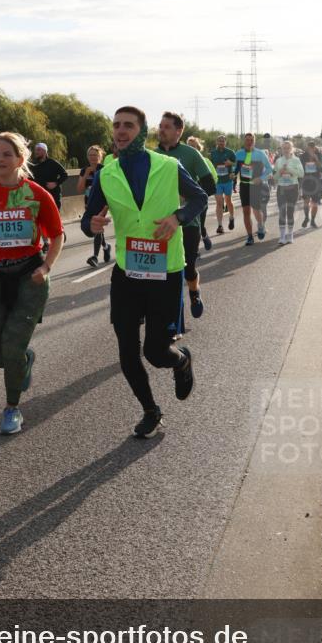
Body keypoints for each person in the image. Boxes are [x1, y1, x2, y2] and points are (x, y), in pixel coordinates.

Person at [81, 107, 207, 439]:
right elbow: (87, 218)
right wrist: (90, 224)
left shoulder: (168, 165)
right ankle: (151, 410)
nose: (121, 131)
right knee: (126, 349)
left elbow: (199, 197)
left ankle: (180, 361)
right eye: (116, 126)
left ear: (142, 130)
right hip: (127, 273)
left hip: (165, 272)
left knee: (155, 351)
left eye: (128, 126)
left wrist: (177, 218)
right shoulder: (107, 173)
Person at [0, 132, 64, 434]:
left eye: (7, 154)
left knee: (11, 347)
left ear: (21, 160)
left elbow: (57, 235)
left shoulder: (36, 194)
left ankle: (12, 408)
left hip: (29, 278)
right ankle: (24, 359)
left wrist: (46, 267)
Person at [156, 113, 216, 318]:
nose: (161, 130)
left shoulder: (191, 154)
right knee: (163, 272)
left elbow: (210, 185)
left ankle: (194, 292)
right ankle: (174, 319)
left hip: (189, 221)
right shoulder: (152, 155)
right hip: (161, 221)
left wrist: (187, 194)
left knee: (188, 267)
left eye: (166, 126)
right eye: (160, 126)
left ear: (178, 131)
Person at [234, 133, 273, 245]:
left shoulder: (260, 154)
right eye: (247, 140)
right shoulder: (239, 154)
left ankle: (260, 225)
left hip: (256, 185)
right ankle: (250, 236)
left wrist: (261, 178)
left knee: (256, 209)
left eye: (251, 140)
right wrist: (232, 173)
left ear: (254, 141)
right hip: (244, 185)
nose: (249, 142)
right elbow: (235, 168)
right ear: (244, 141)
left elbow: (269, 169)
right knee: (246, 211)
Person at [77, 145, 112, 267]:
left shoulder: (105, 169)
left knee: (97, 226)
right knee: (96, 227)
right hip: (88, 203)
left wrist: (107, 206)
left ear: (100, 157)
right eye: (90, 155)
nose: (92, 158)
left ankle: (95, 257)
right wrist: (86, 174)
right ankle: (106, 247)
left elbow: (109, 190)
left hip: (101, 204)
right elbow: (80, 188)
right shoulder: (84, 170)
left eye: (95, 155)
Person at [186, 136, 216, 250]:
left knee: (199, 224)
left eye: (193, 146)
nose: (190, 148)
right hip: (186, 198)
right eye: (188, 146)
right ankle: (195, 250)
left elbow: (214, 178)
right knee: (189, 225)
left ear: (198, 148)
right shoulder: (181, 160)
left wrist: (204, 192)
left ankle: (203, 235)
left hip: (201, 197)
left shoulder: (205, 161)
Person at [272, 140, 304, 244]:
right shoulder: (278, 161)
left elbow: (301, 174)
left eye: (288, 148)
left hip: (293, 188)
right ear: (281, 149)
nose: (286, 150)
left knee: (290, 211)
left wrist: (289, 169)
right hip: (281, 188)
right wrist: (280, 172)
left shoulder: (296, 160)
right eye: (284, 148)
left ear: (292, 149)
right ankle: (282, 237)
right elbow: (275, 177)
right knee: (282, 212)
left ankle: (290, 235)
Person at [209, 135, 237, 234]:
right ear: (217, 142)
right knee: (219, 203)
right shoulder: (212, 153)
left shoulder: (230, 152)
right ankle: (220, 225)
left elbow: (237, 164)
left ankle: (231, 217)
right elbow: (209, 165)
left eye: (223, 141)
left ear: (225, 142)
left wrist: (231, 164)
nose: (221, 143)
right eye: (219, 141)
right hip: (217, 181)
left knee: (228, 201)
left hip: (228, 181)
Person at [300, 141, 322, 228]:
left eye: (312, 147)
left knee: (315, 203)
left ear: (315, 147)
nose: (311, 149)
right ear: (307, 148)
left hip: (316, 182)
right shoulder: (303, 156)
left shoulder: (320, 155)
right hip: (306, 182)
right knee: (306, 201)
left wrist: (316, 158)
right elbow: (300, 168)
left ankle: (313, 221)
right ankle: (306, 217)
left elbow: (321, 167)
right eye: (309, 147)